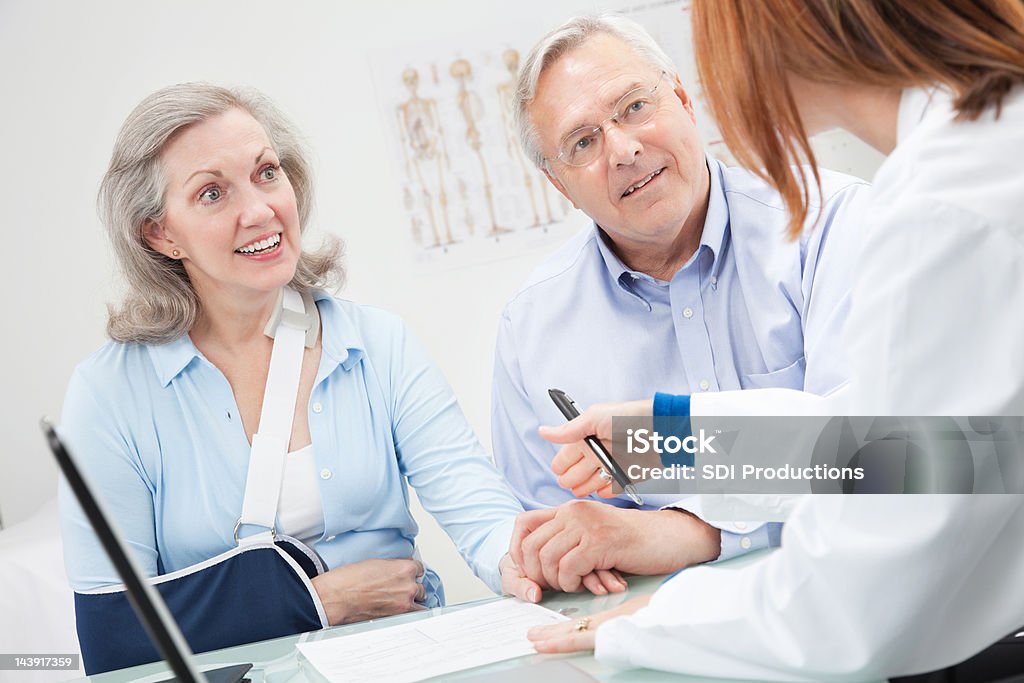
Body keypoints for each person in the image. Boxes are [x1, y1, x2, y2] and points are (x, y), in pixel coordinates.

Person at [526, 1, 1024, 679]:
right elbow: (930, 446)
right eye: (583, 141)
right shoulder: (980, 151)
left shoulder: (939, 209)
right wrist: (660, 439)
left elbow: (855, 601)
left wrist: (655, 620)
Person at [58, 83, 542, 675]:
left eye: (267, 172)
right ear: (161, 234)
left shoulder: (375, 344)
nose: (260, 210)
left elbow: (480, 511)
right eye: (212, 193)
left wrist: (521, 560)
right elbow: (114, 634)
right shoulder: (111, 396)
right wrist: (318, 601)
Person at [492, 14, 867, 592]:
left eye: (635, 107)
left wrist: (681, 507)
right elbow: (559, 543)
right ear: (560, 187)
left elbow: (884, 456)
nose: (622, 149)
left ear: (685, 102)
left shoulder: (826, 222)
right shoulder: (531, 327)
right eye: (582, 142)